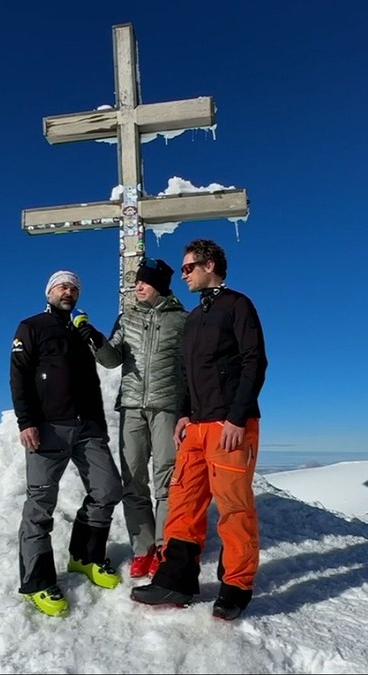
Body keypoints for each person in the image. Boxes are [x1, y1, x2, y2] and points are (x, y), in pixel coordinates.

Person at [130, 239, 268, 621]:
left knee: (234, 507)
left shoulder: (237, 305)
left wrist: (237, 418)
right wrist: (183, 414)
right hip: (197, 426)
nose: (184, 274)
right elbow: (186, 374)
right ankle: (177, 579)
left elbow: (254, 361)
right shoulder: (194, 318)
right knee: (183, 502)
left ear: (210, 265)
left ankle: (236, 586)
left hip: (230, 425)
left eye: (189, 267)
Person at [9, 270, 124, 617]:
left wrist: (100, 426)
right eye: (62, 286)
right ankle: (37, 582)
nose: (68, 291)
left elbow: (95, 377)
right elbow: (19, 376)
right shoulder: (30, 327)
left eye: (74, 287)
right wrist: (26, 422)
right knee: (40, 505)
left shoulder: (80, 331)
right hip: (47, 428)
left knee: (108, 489)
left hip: (87, 426)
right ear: (49, 291)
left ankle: (84, 557)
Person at [90, 258, 186, 579]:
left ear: (158, 285)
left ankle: (165, 547)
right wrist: (96, 341)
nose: (138, 287)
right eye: (136, 283)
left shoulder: (183, 320)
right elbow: (112, 359)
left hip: (167, 407)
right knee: (133, 480)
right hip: (131, 407)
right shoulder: (126, 318)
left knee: (167, 479)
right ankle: (142, 549)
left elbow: (190, 368)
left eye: (143, 282)